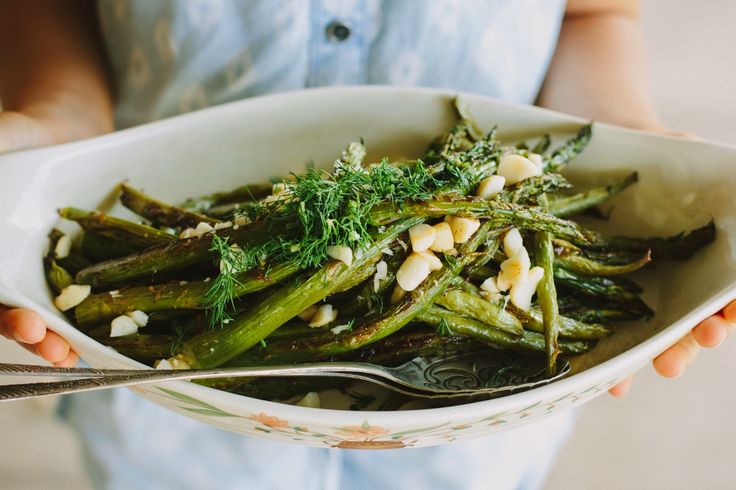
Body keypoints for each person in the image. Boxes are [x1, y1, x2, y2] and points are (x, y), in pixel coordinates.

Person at [0, 1, 733, 488]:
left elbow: (592, 10)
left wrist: (636, 148)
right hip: (168, 431)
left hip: (473, 434)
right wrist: (53, 136)